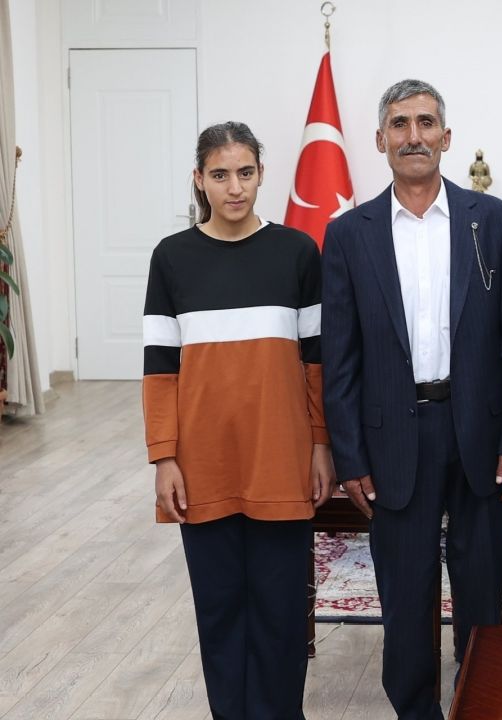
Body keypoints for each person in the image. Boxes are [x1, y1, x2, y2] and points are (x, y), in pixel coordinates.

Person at [321, 79, 502, 719]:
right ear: (380, 139)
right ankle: (415, 710)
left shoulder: (494, 222)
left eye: (426, 122)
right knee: (406, 597)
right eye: (400, 123)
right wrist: (351, 456)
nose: (414, 136)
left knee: (481, 593)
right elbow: (340, 356)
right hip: (392, 437)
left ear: (447, 136)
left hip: (479, 434)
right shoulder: (349, 234)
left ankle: (481, 704)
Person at [142, 121, 333, 718]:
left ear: (261, 175)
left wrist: (321, 445)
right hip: (203, 464)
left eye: (245, 173)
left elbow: (316, 362)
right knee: (220, 610)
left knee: (281, 612)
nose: (234, 187)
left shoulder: (297, 253)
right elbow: (159, 368)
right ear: (199, 179)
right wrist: (164, 456)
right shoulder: (171, 258)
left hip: (280, 457)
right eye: (220, 174)